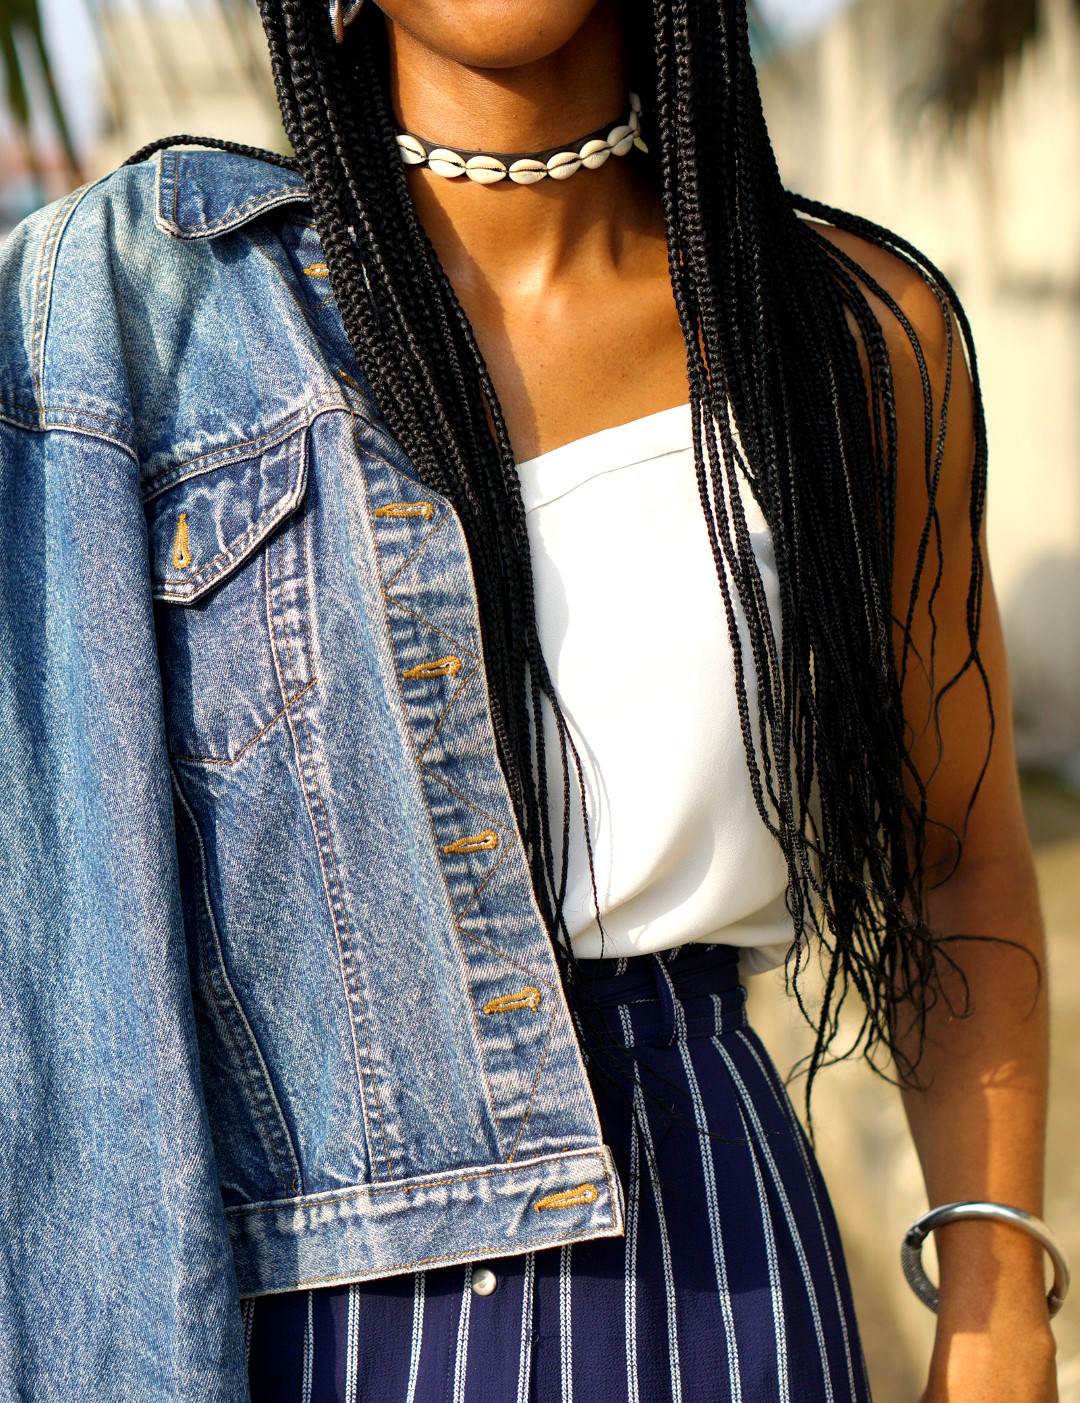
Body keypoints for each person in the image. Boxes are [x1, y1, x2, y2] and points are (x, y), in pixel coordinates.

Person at [0, 0, 1060, 1399]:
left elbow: (953, 862)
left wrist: (998, 1307)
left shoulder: (850, 339)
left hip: (720, 1283)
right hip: (314, 1315)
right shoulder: (134, 329)